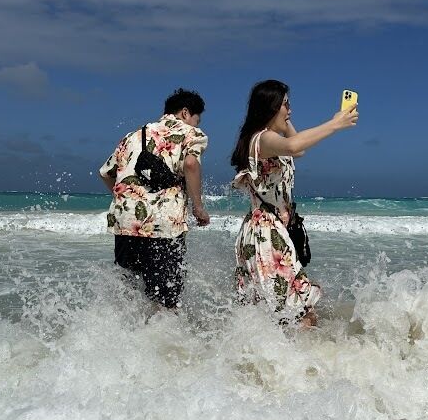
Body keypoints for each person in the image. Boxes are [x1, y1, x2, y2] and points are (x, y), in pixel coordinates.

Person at [231, 80, 358, 326]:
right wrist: (335, 123)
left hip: (272, 231)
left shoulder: (270, 139)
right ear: (271, 107)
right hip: (266, 233)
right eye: (285, 105)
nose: (290, 110)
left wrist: (283, 117)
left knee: (286, 312)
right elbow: (293, 145)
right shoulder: (262, 139)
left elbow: (297, 150)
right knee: (300, 312)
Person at [99, 88, 210, 309]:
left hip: (126, 224)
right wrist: (198, 207)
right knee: (167, 301)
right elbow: (190, 164)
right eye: (197, 119)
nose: (196, 124)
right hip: (163, 226)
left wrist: (130, 200)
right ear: (185, 112)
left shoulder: (133, 136)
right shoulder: (191, 134)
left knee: (129, 296)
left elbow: (105, 173)